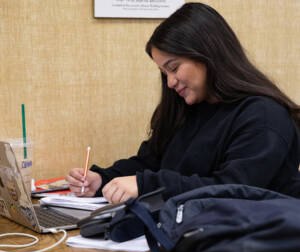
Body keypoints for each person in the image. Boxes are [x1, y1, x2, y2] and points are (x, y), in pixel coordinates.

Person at [66, 2, 300, 203]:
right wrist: (103, 179)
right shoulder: (185, 108)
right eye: (164, 72)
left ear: (207, 54)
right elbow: (151, 161)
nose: (170, 82)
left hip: (247, 246)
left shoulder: (265, 116)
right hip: (186, 233)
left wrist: (146, 184)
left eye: (174, 68)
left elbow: (232, 190)